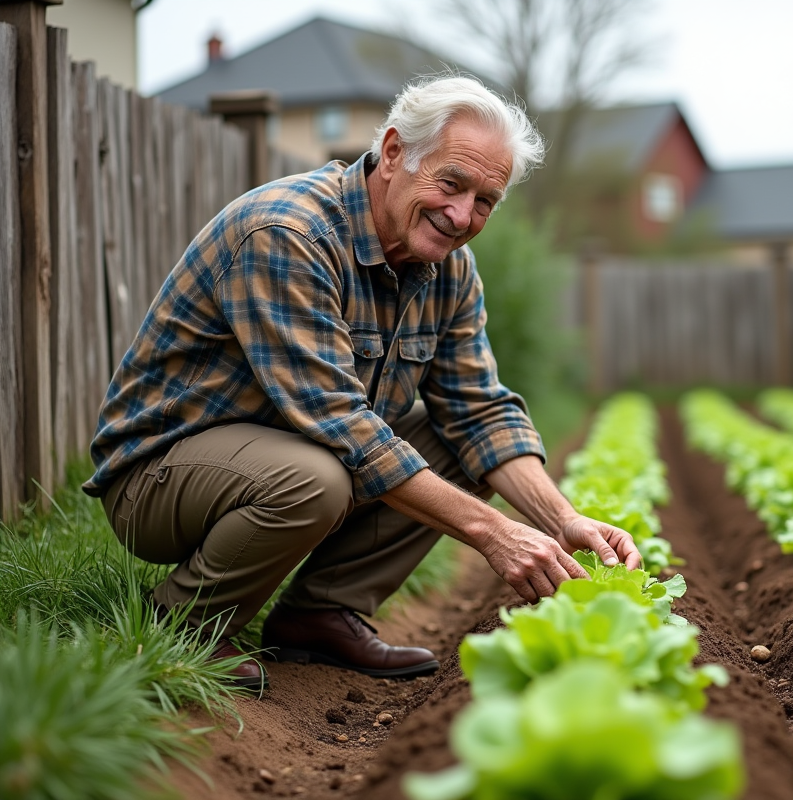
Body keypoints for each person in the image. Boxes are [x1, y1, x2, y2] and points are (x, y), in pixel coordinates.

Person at [82, 75, 641, 693]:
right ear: (396, 152)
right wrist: (493, 532)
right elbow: (341, 424)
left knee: (459, 446)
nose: (462, 216)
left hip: (283, 459)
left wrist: (561, 519)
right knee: (314, 479)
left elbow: (480, 412)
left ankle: (319, 614)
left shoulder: (448, 269)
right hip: (159, 477)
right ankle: (180, 626)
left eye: (486, 200)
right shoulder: (288, 234)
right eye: (451, 183)